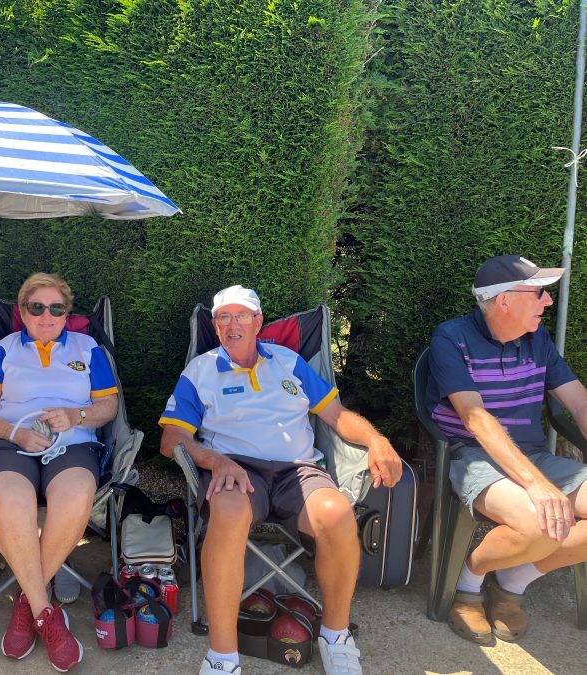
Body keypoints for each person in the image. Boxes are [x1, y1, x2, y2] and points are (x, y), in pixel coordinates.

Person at [159, 285, 402, 675]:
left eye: (242, 316)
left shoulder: (290, 362)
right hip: (237, 470)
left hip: (297, 470)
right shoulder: (200, 370)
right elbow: (172, 439)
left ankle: (335, 636)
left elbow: (336, 415)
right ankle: (222, 655)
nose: (233, 325)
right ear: (215, 325)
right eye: (224, 317)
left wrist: (376, 439)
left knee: (337, 514)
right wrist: (214, 460)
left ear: (258, 322)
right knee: (228, 513)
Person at [427, 255, 587, 644]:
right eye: (538, 293)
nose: (548, 301)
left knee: (545, 524)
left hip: (533, 455)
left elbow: (579, 403)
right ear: (504, 300)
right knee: (540, 525)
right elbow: (476, 419)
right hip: (474, 457)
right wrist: (536, 484)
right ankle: (468, 582)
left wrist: (537, 477)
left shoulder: (538, 339)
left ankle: (513, 580)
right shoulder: (451, 338)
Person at [0, 272, 119, 672]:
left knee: (77, 494)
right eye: (37, 308)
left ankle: (28, 605)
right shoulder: (1, 352)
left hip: (73, 442)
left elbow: (108, 408)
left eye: (56, 308)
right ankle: (45, 611)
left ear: (67, 313)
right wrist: (15, 433)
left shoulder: (89, 349)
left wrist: (76, 415)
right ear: (22, 311)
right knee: (10, 501)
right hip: (8, 442)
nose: (46, 316)